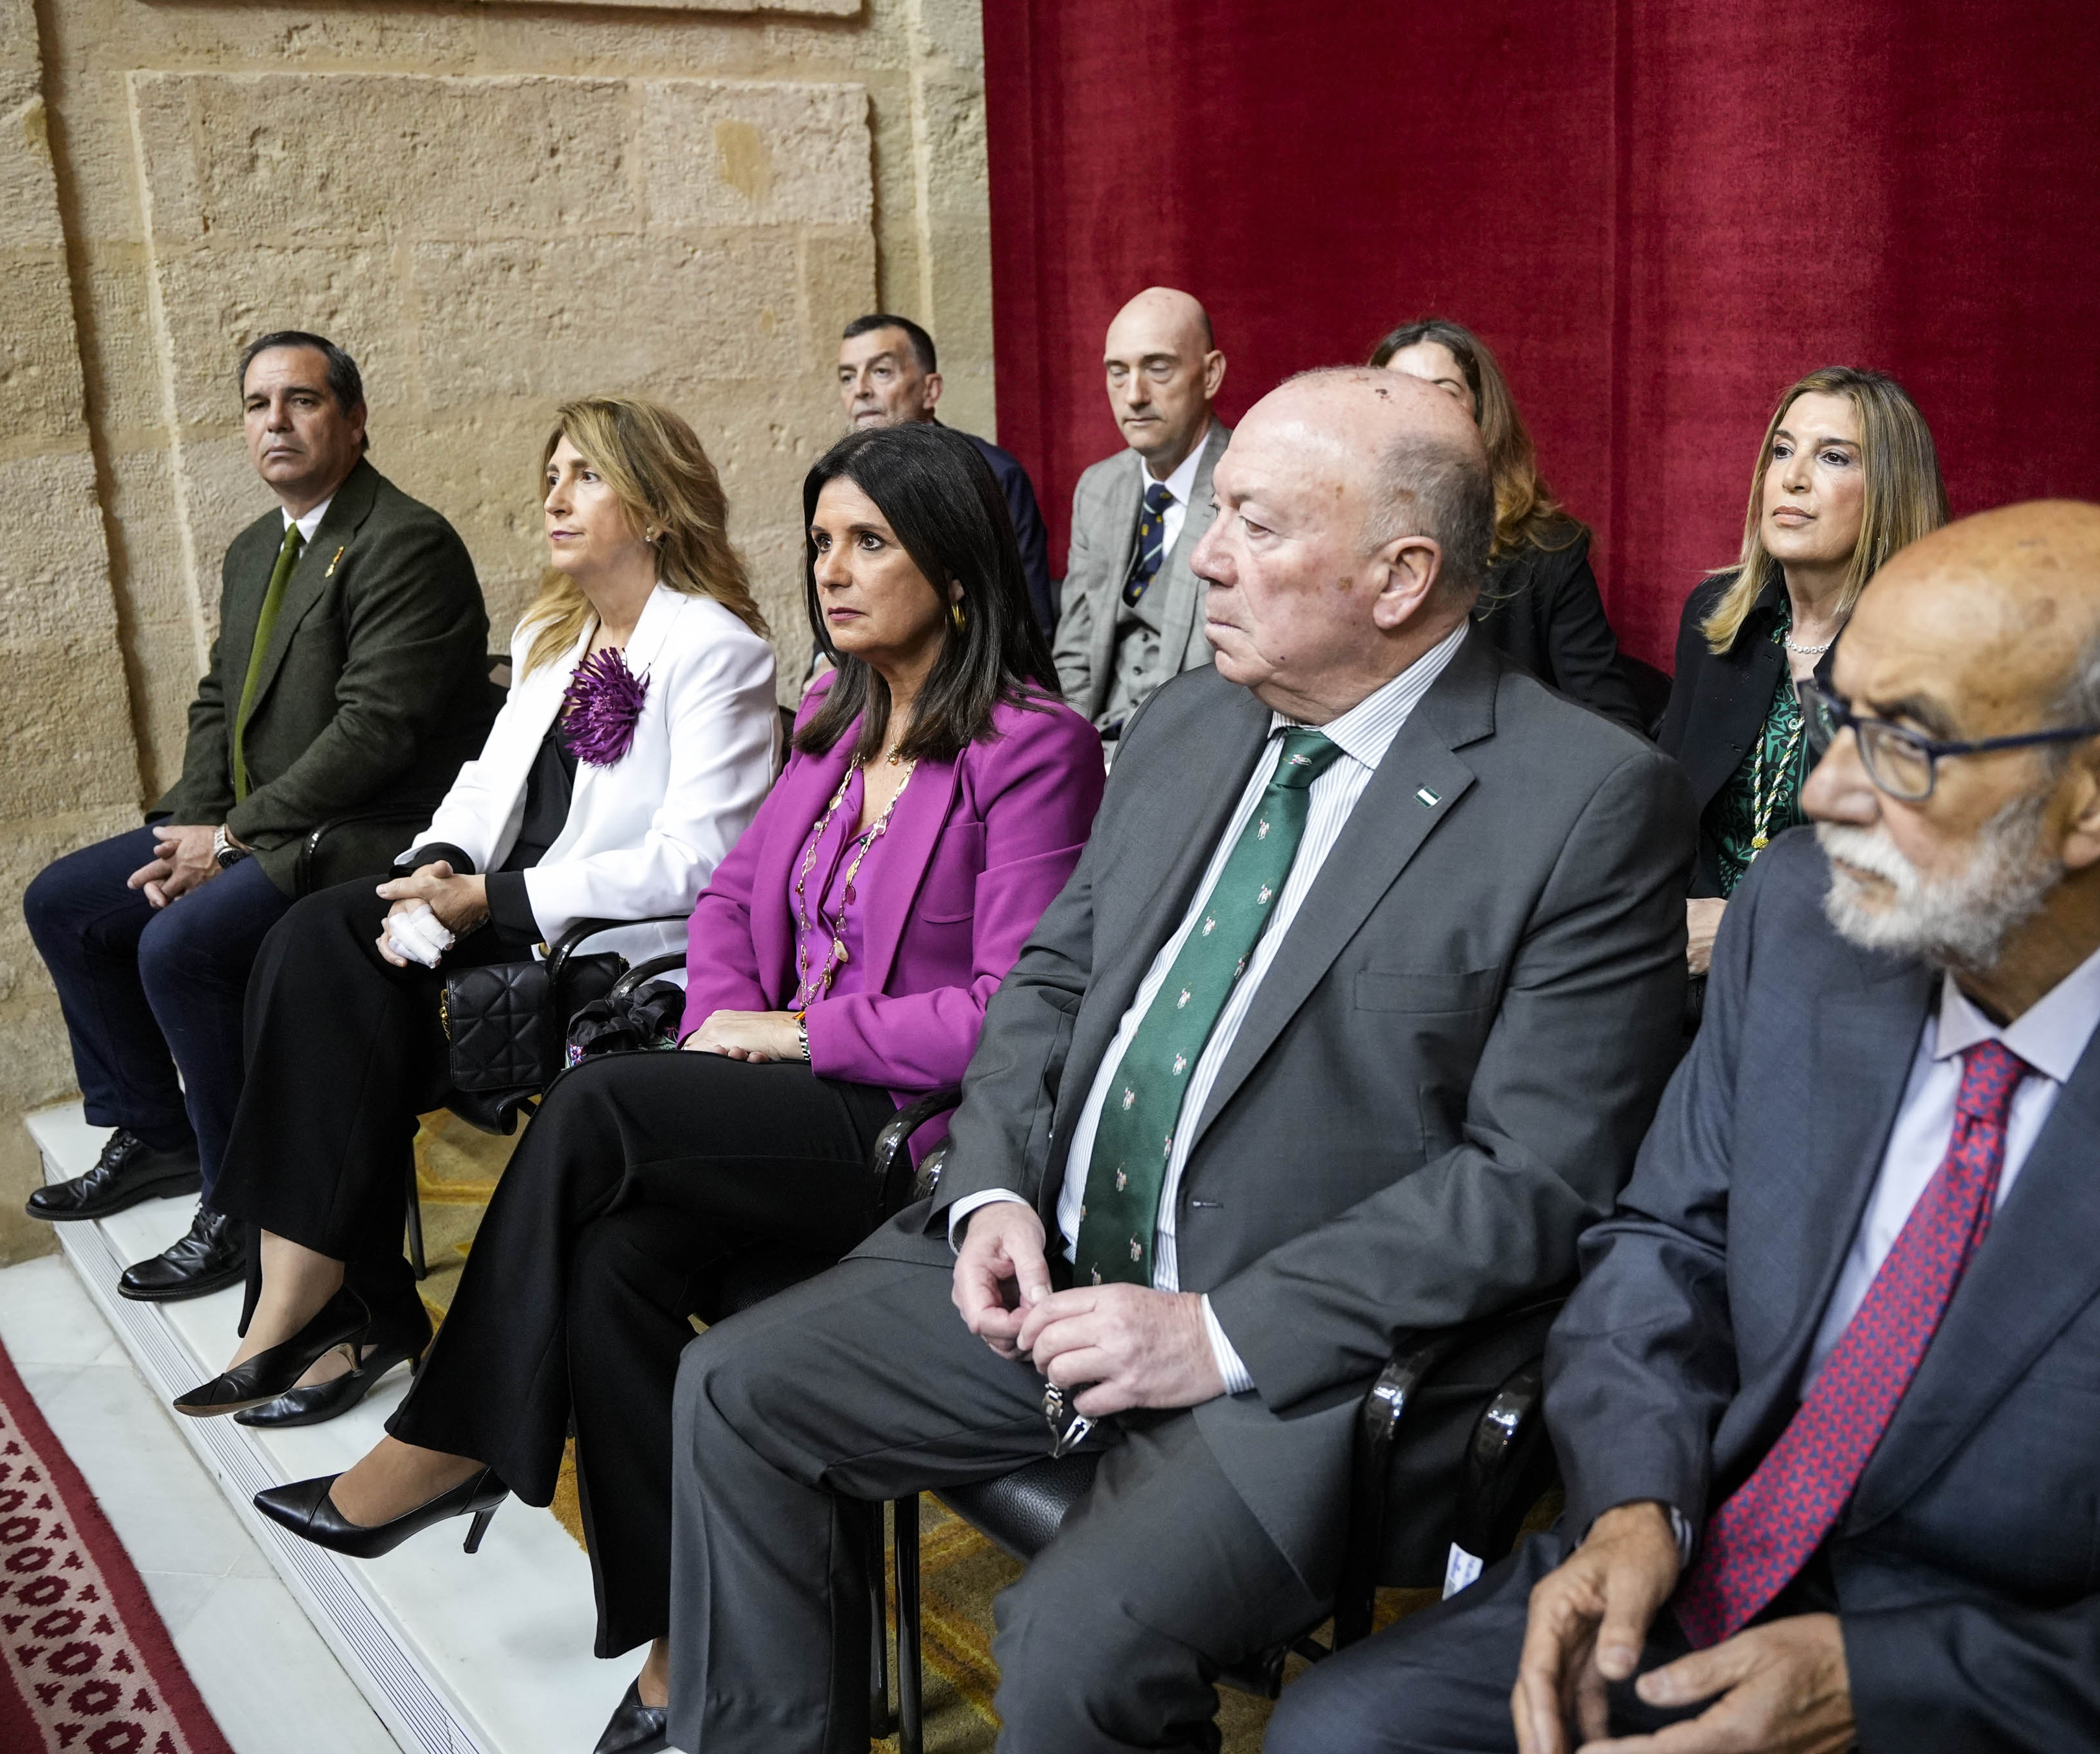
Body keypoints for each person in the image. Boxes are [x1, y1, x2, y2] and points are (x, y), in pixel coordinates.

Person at [1266, 504, 2100, 1754]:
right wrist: (1633, 1501)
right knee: (1341, 1730)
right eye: (1836, 717)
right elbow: (1669, 1242)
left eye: (1904, 744)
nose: (1824, 793)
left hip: (2023, 1679)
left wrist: (1884, 1683)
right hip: (1694, 1551)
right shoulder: (1803, 918)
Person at [660, 368, 1695, 1753]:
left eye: (1256, 526)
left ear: (1399, 576)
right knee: (732, 1386)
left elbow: (1534, 1180)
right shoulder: (1190, 719)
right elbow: (1049, 979)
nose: (1203, 553)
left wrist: (1211, 1333)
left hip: (1285, 1353)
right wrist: (993, 1194)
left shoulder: (1581, 799)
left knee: (1071, 1647)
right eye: (1217, 515)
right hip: (1043, 1268)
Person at [251, 421, 1103, 1754]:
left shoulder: (1031, 745)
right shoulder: (834, 716)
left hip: (900, 1129)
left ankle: (458, 1432)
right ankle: (681, 1642)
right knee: (614, 1260)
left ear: (953, 565)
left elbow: (1013, 1014)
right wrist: (718, 1027)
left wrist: (792, 1039)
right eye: (820, 539)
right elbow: (729, 900)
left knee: (596, 1105)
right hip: (768, 1094)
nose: (832, 568)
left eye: (869, 541)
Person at [178, 396, 781, 1428]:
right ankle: (314, 1304)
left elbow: (698, 862)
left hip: (603, 952)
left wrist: (490, 898)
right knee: (311, 943)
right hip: (490, 909)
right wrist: (436, 865)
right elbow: (481, 781)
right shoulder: (553, 631)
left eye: (584, 476)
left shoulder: (714, 648)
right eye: (549, 476)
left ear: (655, 503)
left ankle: (334, 1310)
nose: (554, 496)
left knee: (334, 992)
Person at [21, 331, 501, 1303]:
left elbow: (376, 734)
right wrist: (187, 831)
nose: (274, 422)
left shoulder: (405, 542)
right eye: (256, 405)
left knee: (181, 950)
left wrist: (230, 841)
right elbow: (214, 705)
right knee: (69, 903)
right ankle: (158, 1132)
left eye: (302, 401)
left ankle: (242, 1209)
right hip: (261, 825)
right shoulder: (255, 549)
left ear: (354, 421)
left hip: (368, 836)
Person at [1658, 366, 1946, 983]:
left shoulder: (1932, 655)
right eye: (1782, 450)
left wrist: (1742, 927)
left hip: (1845, 983)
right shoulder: (1714, 618)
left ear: (1890, 491)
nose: (1792, 478)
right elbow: (1666, 816)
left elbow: (1926, 889)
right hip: (1688, 983)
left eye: (1833, 458)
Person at [1370, 318, 1642, 731]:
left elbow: (1612, 722)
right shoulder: (1330, 534)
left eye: (1442, 392)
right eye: (1397, 391)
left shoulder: (1547, 549)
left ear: (1480, 411)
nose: (1417, 407)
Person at [1050, 286, 1233, 743]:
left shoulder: (1250, 489)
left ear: (1210, 374)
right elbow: (1072, 654)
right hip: (1096, 743)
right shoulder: (1097, 487)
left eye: (1157, 368)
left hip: (1196, 747)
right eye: (1117, 372)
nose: (1133, 395)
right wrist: (1068, 750)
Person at [837, 312, 1056, 636]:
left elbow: (1029, 622)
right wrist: (823, 663)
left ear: (931, 390)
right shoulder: (838, 483)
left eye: (881, 371)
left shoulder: (995, 476)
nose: (860, 390)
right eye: (847, 378)